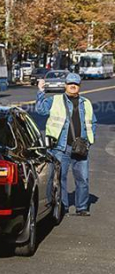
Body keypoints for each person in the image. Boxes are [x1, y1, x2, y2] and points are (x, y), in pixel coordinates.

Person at [36, 73, 97, 216]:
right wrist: (40, 91)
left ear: (79, 86)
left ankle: (81, 208)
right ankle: (62, 206)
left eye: (76, 84)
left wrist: (89, 141)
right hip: (60, 147)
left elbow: (92, 122)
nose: (73, 86)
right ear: (65, 85)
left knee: (83, 179)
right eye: (70, 84)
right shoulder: (55, 100)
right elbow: (40, 110)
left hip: (81, 148)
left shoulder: (86, 103)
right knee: (60, 179)